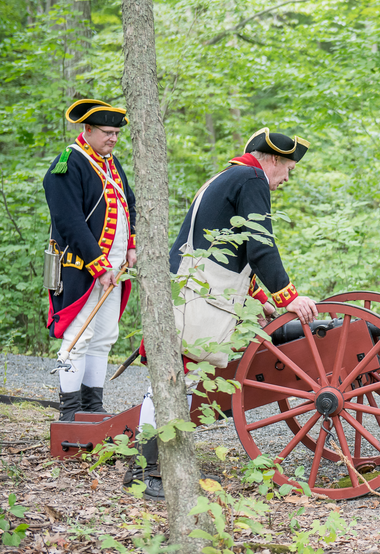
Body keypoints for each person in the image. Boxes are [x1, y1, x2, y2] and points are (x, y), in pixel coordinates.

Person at [124, 127, 318, 499]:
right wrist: (287, 296)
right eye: (288, 169)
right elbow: (260, 244)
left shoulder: (231, 175)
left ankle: (152, 466)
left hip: (192, 287)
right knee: (173, 380)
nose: (287, 178)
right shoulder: (252, 177)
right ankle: (144, 470)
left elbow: (232, 246)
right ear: (273, 159)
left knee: (179, 379)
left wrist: (259, 295)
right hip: (199, 294)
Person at [43, 99, 137, 421]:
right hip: (82, 268)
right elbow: (69, 221)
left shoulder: (111, 162)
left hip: (115, 268)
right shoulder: (69, 162)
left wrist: (131, 247)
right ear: (88, 129)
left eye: (116, 133)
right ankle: (69, 411)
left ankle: (92, 408)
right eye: (107, 132)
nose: (113, 138)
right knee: (77, 336)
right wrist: (99, 266)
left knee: (104, 336)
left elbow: (129, 204)